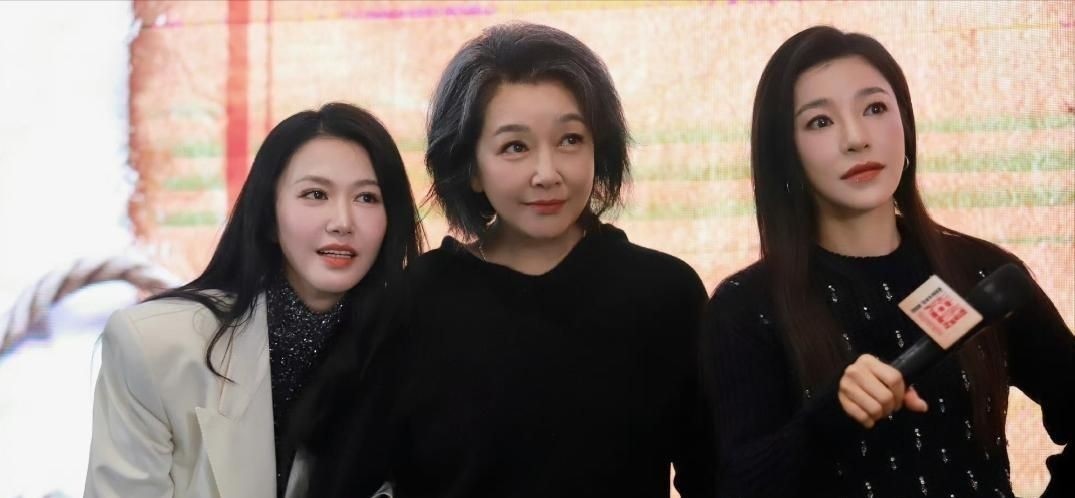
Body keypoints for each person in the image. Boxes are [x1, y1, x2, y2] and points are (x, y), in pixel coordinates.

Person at [303, 22, 714, 498]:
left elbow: (713, 475)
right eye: (515, 147)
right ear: (471, 167)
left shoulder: (665, 294)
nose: (547, 173)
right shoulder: (417, 301)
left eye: (570, 139)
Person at [701, 25, 1074, 498]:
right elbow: (737, 485)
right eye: (820, 122)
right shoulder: (746, 307)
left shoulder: (981, 273)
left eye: (875, 108)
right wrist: (828, 419)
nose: (856, 138)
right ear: (785, 150)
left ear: (906, 123)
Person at [84, 102, 424, 498]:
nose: (343, 222)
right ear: (268, 217)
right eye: (315, 194)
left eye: (366, 198)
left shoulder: (408, 349)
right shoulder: (154, 347)